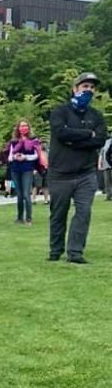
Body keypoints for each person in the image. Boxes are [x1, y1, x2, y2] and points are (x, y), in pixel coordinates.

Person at [48, 73, 108, 264]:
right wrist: (86, 135)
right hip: (60, 174)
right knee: (58, 214)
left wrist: (75, 140)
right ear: (75, 89)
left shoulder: (96, 116)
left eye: (92, 88)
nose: (89, 90)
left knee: (84, 213)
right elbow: (60, 133)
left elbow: (99, 140)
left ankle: (75, 253)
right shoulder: (60, 112)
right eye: (85, 86)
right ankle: (56, 250)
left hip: (86, 173)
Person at [7, 120, 41, 226]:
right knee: (19, 195)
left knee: (26, 194)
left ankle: (29, 218)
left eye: (25, 126)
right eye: (21, 126)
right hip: (15, 169)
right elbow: (9, 157)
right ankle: (19, 217)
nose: (23, 128)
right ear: (18, 128)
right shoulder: (13, 141)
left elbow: (36, 155)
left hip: (27, 168)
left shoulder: (33, 140)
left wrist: (25, 157)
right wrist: (14, 157)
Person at [98, 136, 112, 201]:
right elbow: (101, 154)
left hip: (109, 163)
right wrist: (100, 164)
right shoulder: (105, 143)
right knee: (107, 181)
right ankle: (108, 196)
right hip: (106, 165)